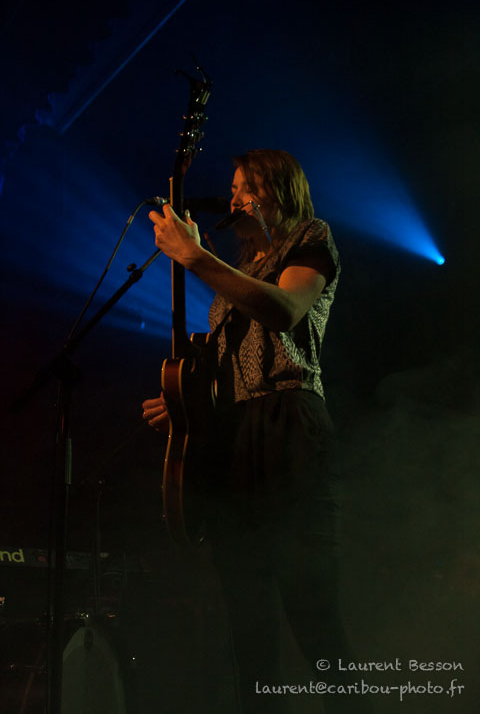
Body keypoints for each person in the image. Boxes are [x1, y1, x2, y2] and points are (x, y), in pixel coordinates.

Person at [142, 150, 365, 713]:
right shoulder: (236, 275)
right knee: (248, 626)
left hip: (291, 426)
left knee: (312, 615)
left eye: (247, 187)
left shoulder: (310, 239)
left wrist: (196, 258)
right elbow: (230, 370)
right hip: (237, 437)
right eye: (233, 187)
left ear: (278, 191)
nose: (234, 197)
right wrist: (186, 403)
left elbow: (285, 311)